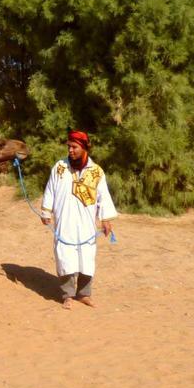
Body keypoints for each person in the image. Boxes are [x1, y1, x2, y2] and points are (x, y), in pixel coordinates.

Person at [39, 129, 117, 309]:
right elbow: (50, 190)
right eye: (69, 147)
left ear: (84, 147)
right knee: (65, 256)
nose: (71, 151)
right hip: (64, 221)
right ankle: (67, 295)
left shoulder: (96, 172)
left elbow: (103, 196)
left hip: (86, 223)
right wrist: (46, 211)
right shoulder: (59, 167)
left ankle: (84, 294)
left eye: (74, 147)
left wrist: (105, 219)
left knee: (86, 258)